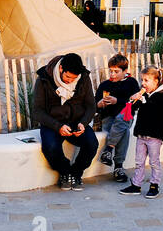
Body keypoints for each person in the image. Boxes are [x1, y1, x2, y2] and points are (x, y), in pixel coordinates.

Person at [31, 52, 97, 190]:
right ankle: (65, 172)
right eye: (67, 77)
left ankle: (76, 173)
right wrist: (57, 126)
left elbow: (91, 105)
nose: (70, 81)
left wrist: (83, 123)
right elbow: (37, 111)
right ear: (60, 68)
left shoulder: (83, 77)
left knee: (92, 144)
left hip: (77, 122)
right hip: (53, 123)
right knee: (50, 148)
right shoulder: (44, 79)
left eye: (74, 78)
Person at [118, 66, 163, 199]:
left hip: (155, 136)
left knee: (154, 162)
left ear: (156, 81)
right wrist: (133, 99)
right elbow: (131, 110)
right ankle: (136, 184)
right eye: (142, 80)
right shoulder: (143, 94)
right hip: (141, 134)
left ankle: (154, 184)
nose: (143, 83)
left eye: (146, 80)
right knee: (139, 161)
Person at [96, 53, 141, 183]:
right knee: (125, 131)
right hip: (108, 118)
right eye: (110, 71)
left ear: (125, 71)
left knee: (123, 117)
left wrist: (118, 101)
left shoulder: (131, 83)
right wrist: (99, 104)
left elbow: (136, 104)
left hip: (126, 115)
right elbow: (94, 105)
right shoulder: (104, 85)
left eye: (116, 71)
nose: (112, 75)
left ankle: (108, 149)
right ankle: (118, 168)